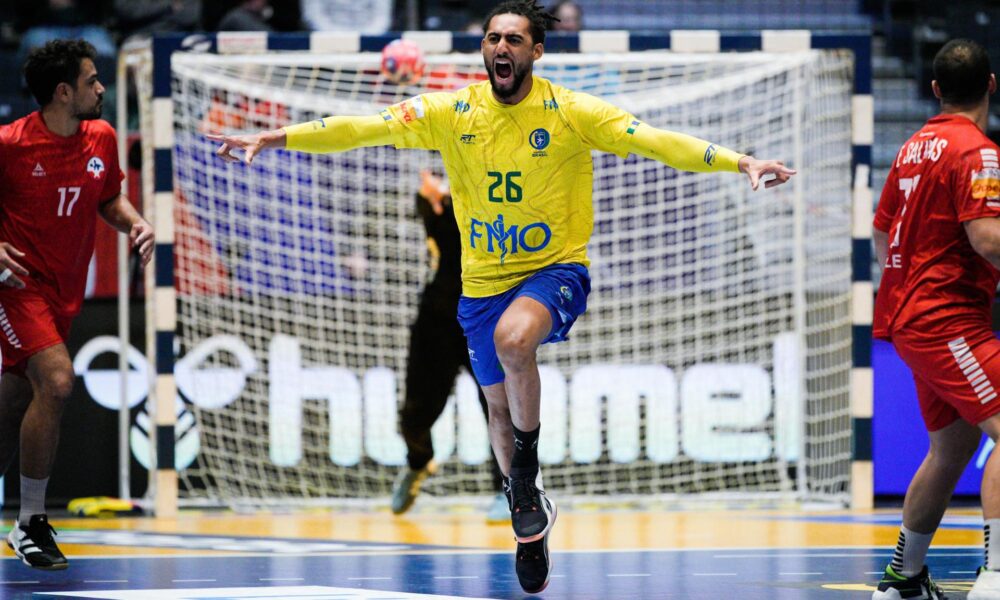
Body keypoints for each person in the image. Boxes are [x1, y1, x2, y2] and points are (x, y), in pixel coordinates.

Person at [207, 1, 794, 592]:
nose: (502, 47)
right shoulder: (452, 111)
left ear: (536, 51)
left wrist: (739, 161)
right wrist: (279, 137)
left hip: (554, 270)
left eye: (514, 38)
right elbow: (362, 127)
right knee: (496, 412)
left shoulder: (570, 112)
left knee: (516, 343)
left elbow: (657, 142)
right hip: (480, 286)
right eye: (493, 38)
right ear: (484, 50)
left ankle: (525, 478)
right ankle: (528, 528)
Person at [0, 39, 154, 571]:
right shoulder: (10, 144)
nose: (101, 87)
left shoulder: (101, 137)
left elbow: (106, 197)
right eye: (92, 80)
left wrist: (134, 223)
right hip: (16, 288)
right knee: (59, 380)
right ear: (63, 92)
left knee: (14, 402)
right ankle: (31, 523)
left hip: (65, 293)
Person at [871, 38, 1000, 600]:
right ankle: (995, 577)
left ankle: (902, 579)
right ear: (991, 85)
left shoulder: (911, 147)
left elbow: (881, 231)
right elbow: (988, 238)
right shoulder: (979, 152)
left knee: (951, 448)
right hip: (949, 318)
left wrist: (909, 287)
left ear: (936, 90)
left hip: (910, 316)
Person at [391, 169, 509, 524]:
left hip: (486, 312)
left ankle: (510, 489)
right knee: (413, 417)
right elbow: (428, 198)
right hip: (438, 319)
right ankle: (418, 462)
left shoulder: (496, 183)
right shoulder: (434, 197)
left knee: (499, 408)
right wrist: (438, 192)